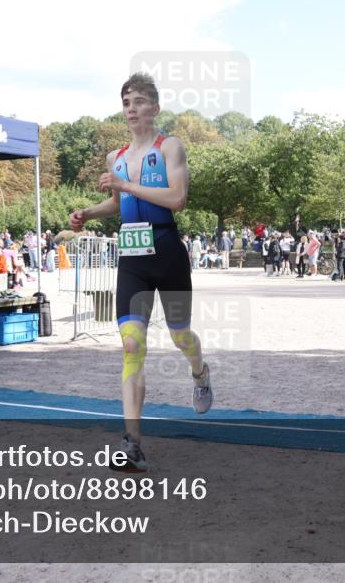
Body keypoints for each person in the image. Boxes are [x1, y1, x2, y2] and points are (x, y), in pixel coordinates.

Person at [69, 73, 211, 473]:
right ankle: (131, 443)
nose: (130, 108)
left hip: (167, 253)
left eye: (138, 101)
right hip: (132, 259)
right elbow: (116, 203)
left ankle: (200, 372)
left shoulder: (171, 147)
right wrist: (88, 214)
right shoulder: (117, 157)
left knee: (181, 335)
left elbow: (177, 198)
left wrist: (126, 185)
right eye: (126, 101)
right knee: (132, 346)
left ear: (155, 107)